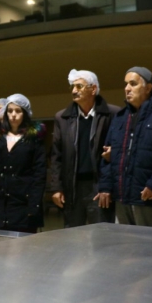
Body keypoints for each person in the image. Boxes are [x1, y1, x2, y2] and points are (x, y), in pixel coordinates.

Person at [97, 67, 152, 228]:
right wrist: (106, 186)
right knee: (124, 246)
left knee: (148, 247)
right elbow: (107, 155)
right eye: (126, 84)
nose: (127, 88)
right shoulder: (120, 117)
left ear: (148, 88)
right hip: (121, 195)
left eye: (133, 84)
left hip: (147, 195)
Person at [49, 69, 119, 227]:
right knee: (72, 235)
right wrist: (56, 188)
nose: (74, 91)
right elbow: (56, 156)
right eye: (72, 87)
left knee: (101, 234)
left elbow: (121, 147)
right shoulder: (62, 117)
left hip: (100, 185)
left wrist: (115, 152)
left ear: (93, 89)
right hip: (72, 186)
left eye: (79, 86)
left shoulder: (113, 114)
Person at [0, 94, 47, 233]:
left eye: (18, 111)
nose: (13, 115)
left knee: (22, 248)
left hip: (23, 203)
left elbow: (39, 174)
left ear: (25, 113)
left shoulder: (33, 139)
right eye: (10, 111)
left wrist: (34, 205)